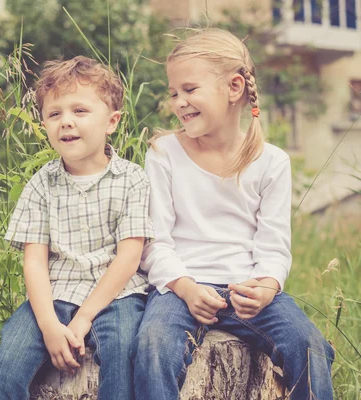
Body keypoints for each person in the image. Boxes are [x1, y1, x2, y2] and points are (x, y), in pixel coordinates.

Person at [132, 28, 334, 399]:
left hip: (247, 290)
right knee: (152, 345)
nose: (179, 102)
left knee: (309, 345)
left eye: (190, 90)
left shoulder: (271, 162)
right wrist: (186, 287)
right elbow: (154, 242)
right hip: (180, 288)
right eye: (173, 92)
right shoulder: (163, 153)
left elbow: (273, 246)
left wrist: (267, 286)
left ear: (234, 87)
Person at [0, 56, 154, 400]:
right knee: (4, 367)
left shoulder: (131, 179)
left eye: (80, 111)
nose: (66, 122)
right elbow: (34, 262)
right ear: (44, 123)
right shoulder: (42, 183)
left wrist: (84, 318)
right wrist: (48, 326)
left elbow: (128, 258)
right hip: (54, 294)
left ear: (112, 122)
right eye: (54, 114)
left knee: (121, 358)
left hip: (116, 295)